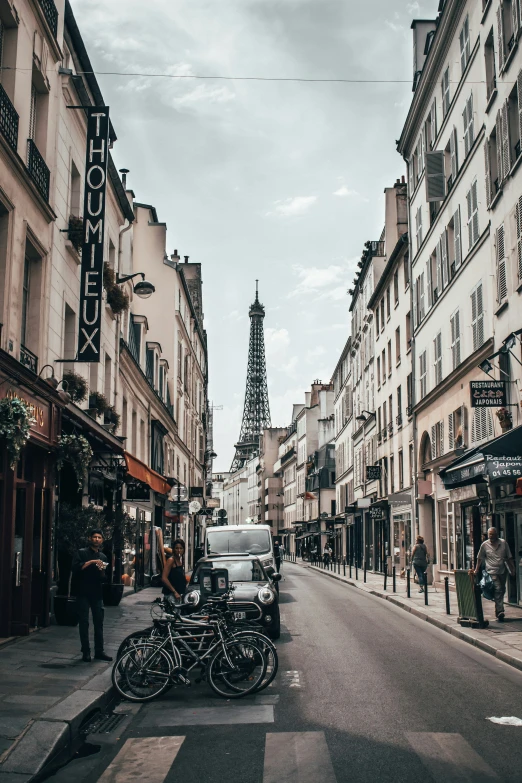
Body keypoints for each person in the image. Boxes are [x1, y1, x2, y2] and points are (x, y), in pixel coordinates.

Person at [72, 529, 112, 663]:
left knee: (99, 622)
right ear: (90, 538)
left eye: (99, 537)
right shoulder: (81, 552)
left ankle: (99, 651)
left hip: (97, 592)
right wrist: (91, 562)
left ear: (102, 540)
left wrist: (101, 570)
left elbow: (104, 578)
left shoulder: (103, 557)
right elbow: (76, 568)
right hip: (82, 591)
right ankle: (86, 651)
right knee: (84, 622)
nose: (96, 539)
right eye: (94, 537)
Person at [474, 527, 515, 621]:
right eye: (489, 534)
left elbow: (509, 557)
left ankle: (498, 611)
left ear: (497, 534)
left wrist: (512, 569)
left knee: (502, 589)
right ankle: (500, 611)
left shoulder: (503, 543)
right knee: (498, 589)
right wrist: (476, 569)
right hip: (491, 571)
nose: (491, 536)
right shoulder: (484, 545)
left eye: (492, 534)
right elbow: (480, 558)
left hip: (502, 571)